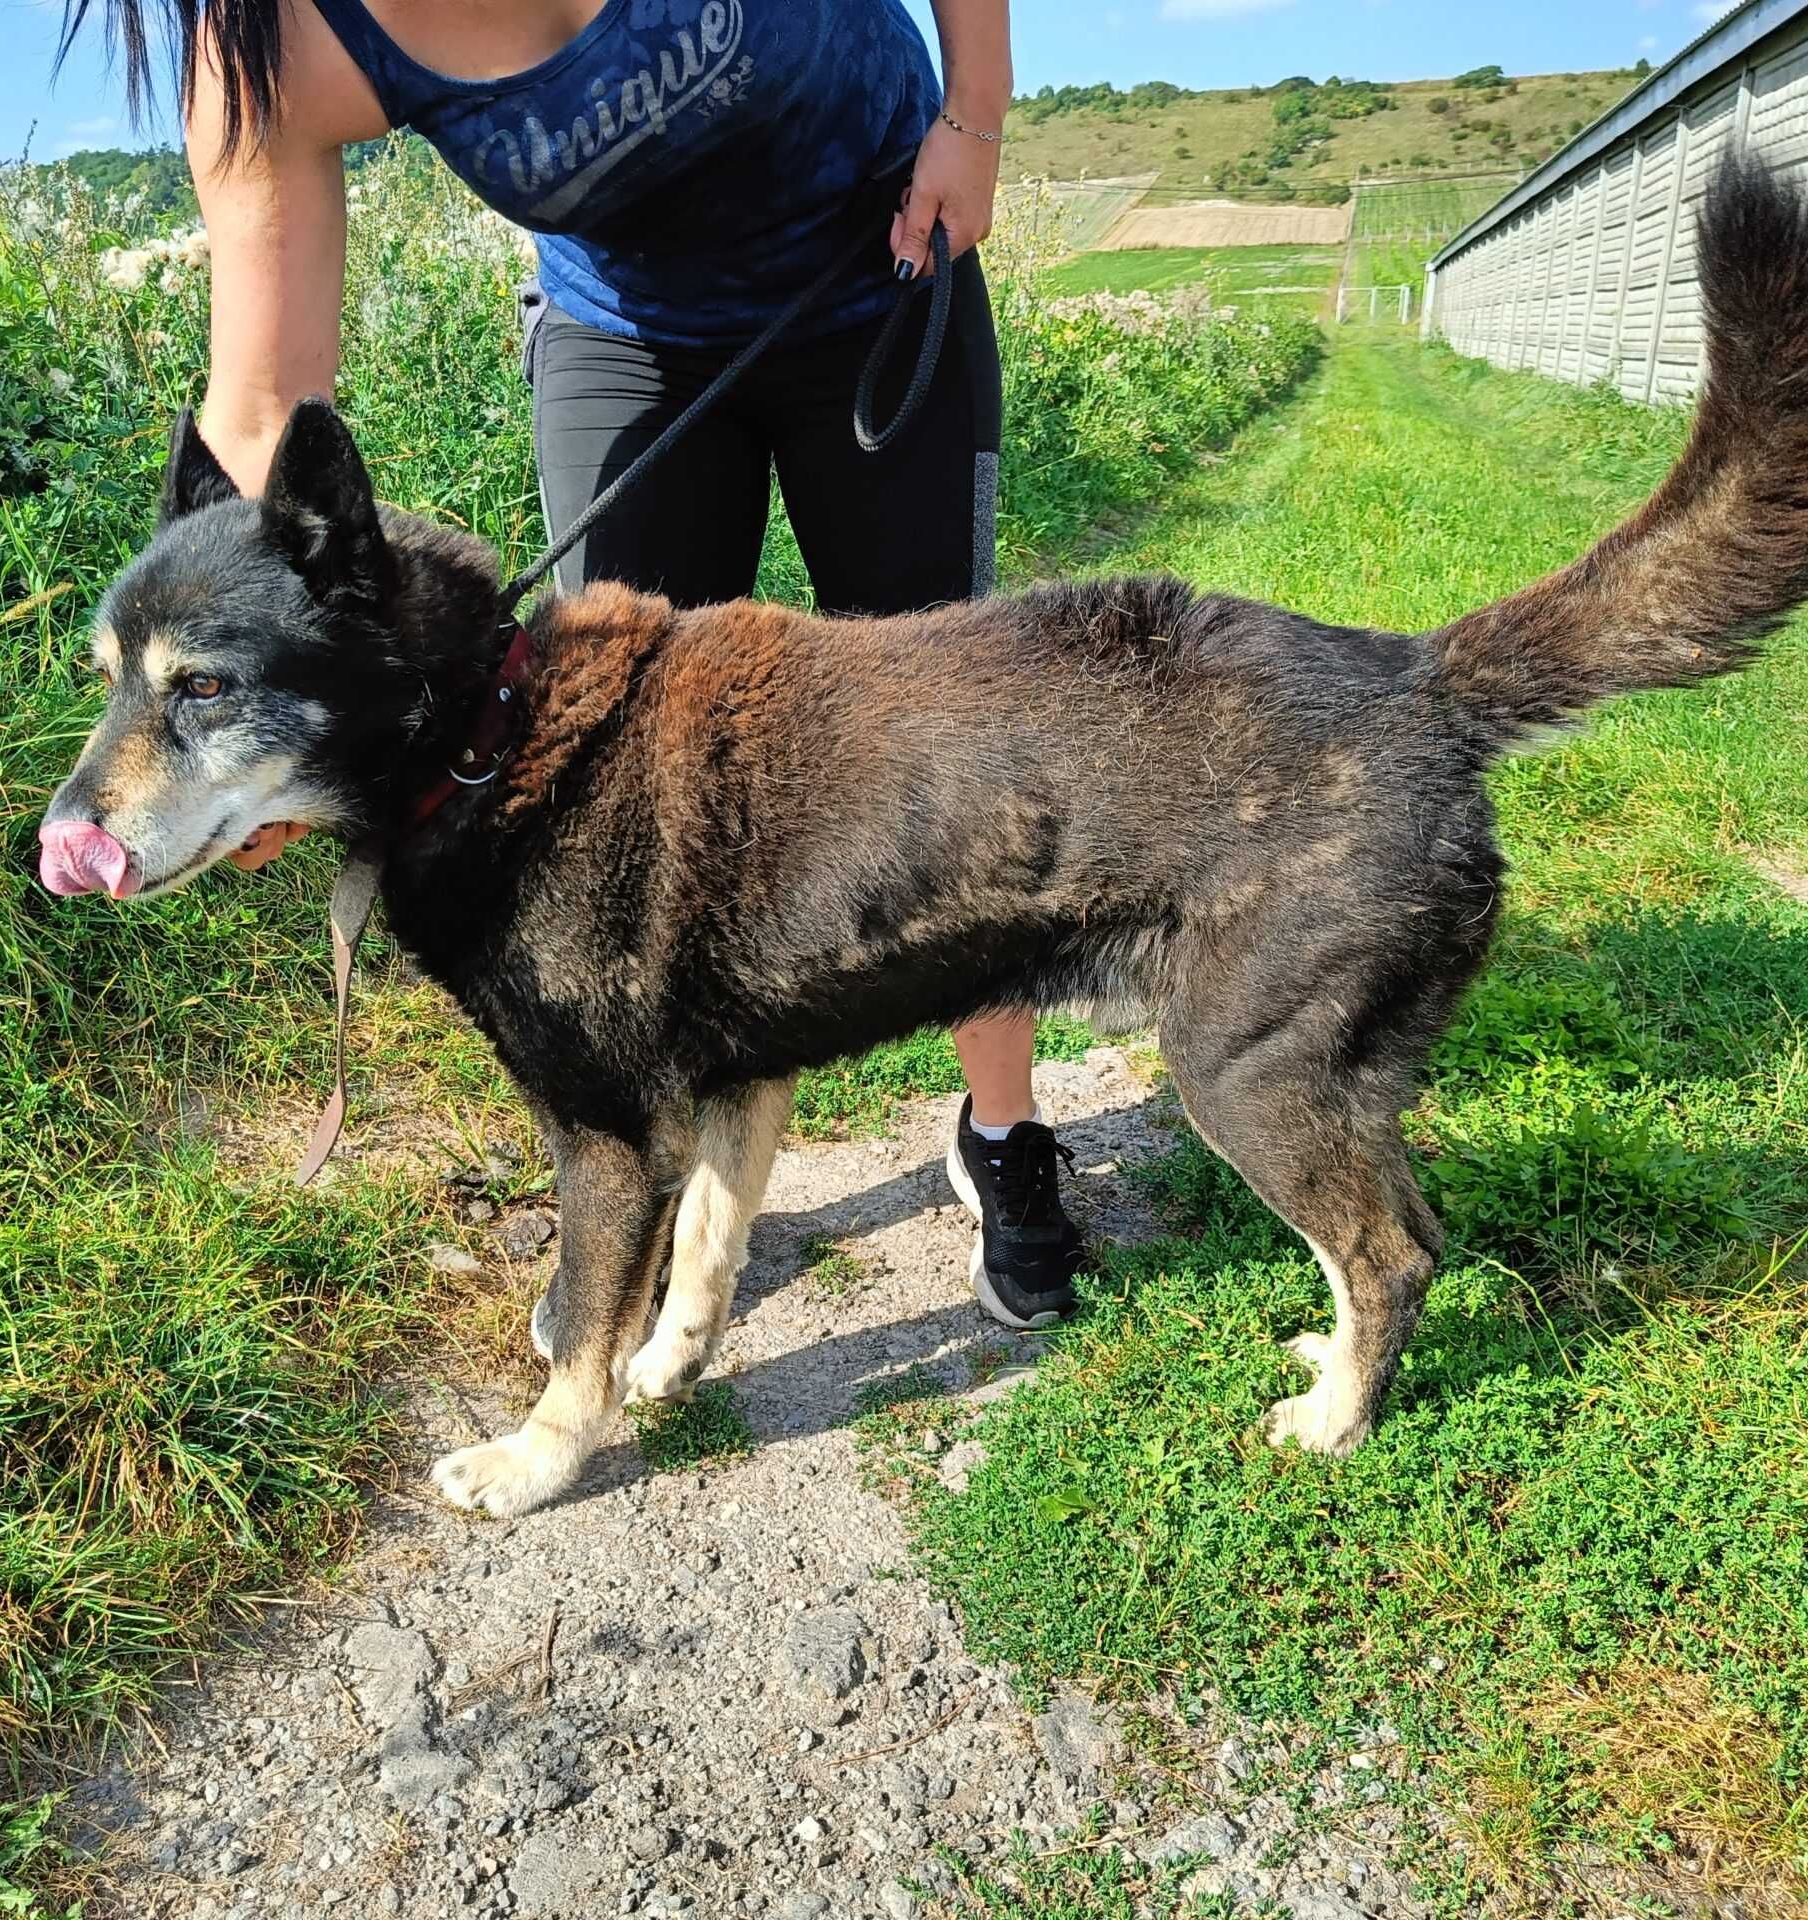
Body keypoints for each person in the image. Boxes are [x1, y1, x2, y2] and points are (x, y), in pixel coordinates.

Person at [64, 0, 1085, 1327]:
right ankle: (655, 1184)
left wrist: (974, 118)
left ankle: (1001, 1130)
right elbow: (263, 418)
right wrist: (242, 715)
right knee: (627, 781)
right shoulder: (269, 46)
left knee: (948, 748)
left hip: (878, 255)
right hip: (626, 337)